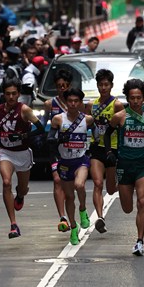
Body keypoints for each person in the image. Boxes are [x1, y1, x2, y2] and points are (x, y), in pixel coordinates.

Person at [105, 78, 144, 256]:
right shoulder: (120, 117)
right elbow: (107, 134)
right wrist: (109, 152)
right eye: (132, 98)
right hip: (124, 165)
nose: (136, 101)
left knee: (142, 202)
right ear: (127, 98)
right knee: (127, 208)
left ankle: (140, 242)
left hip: (142, 165)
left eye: (139, 97)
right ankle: (138, 229)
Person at [0, 78, 44, 238]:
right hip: (5, 152)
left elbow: (40, 129)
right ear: (3, 94)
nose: (11, 97)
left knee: (23, 188)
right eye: (8, 94)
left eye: (14, 93)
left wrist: (23, 135)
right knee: (6, 182)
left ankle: (20, 195)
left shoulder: (25, 110)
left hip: (22, 153)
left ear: (18, 94)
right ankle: (13, 224)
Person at [49, 87, 93, 245]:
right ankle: (74, 227)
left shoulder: (87, 119)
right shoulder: (58, 119)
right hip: (65, 162)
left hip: (81, 160)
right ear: (66, 102)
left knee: (79, 185)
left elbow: (97, 136)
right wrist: (58, 140)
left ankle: (83, 209)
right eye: (70, 101)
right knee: (69, 197)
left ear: (80, 103)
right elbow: (50, 139)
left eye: (76, 101)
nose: (73, 104)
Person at [86, 69, 125, 234]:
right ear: (97, 86)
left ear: (111, 85)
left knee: (110, 189)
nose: (103, 88)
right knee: (97, 183)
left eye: (106, 85)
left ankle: (122, 184)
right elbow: (86, 124)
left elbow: (122, 127)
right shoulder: (91, 105)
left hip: (112, 149)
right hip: (96, 147)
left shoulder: (117, 105)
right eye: (100, 85)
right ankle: (100, 217)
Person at [44, 69, 72, 233]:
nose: (62, 88)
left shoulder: (75, 102)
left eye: (64, 85)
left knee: (71, 183)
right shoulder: (50, 104)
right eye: (59, 86)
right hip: (55, 147)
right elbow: (42, 124)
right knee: (57, 180)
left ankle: (75, 211)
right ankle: (62, 217)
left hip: (72, 147)